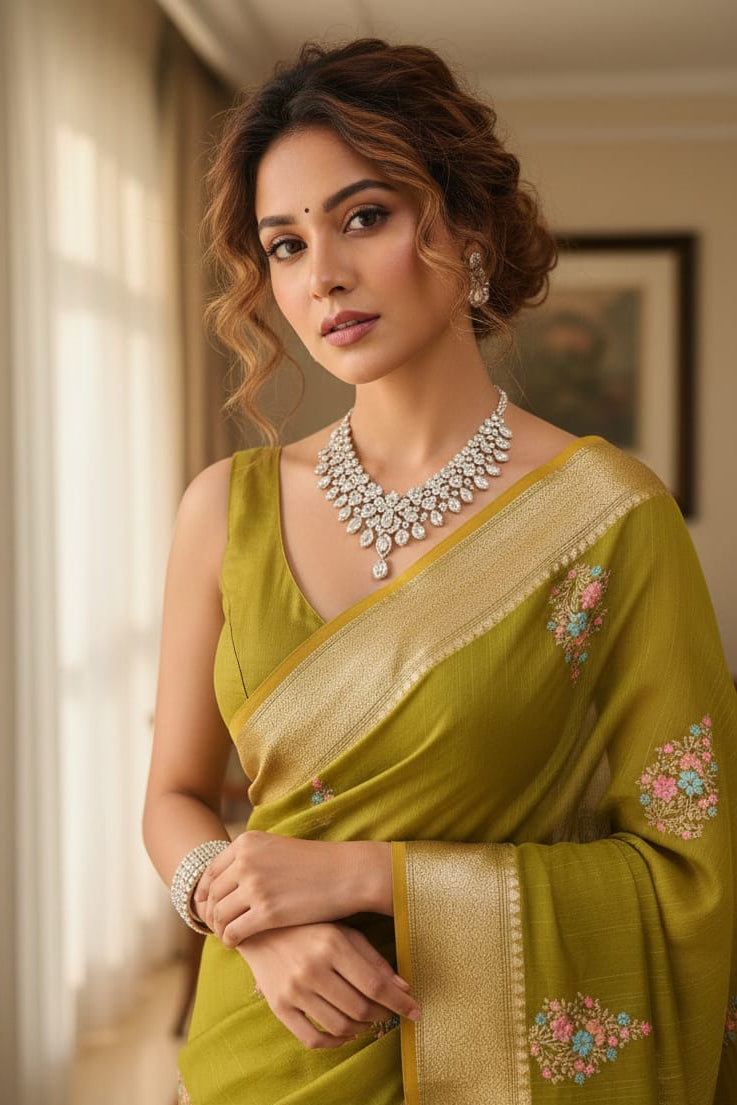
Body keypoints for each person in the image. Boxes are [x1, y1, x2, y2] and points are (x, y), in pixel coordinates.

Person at [142, 38, 737, 1105]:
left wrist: (364, 877)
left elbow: (690, 871)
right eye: (283, 244)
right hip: (255, 1056)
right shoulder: (221, 509)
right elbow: (176, 799)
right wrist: (258, 929)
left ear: (467, 227)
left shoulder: (611, 518)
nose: (320, 275)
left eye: (361, 217)